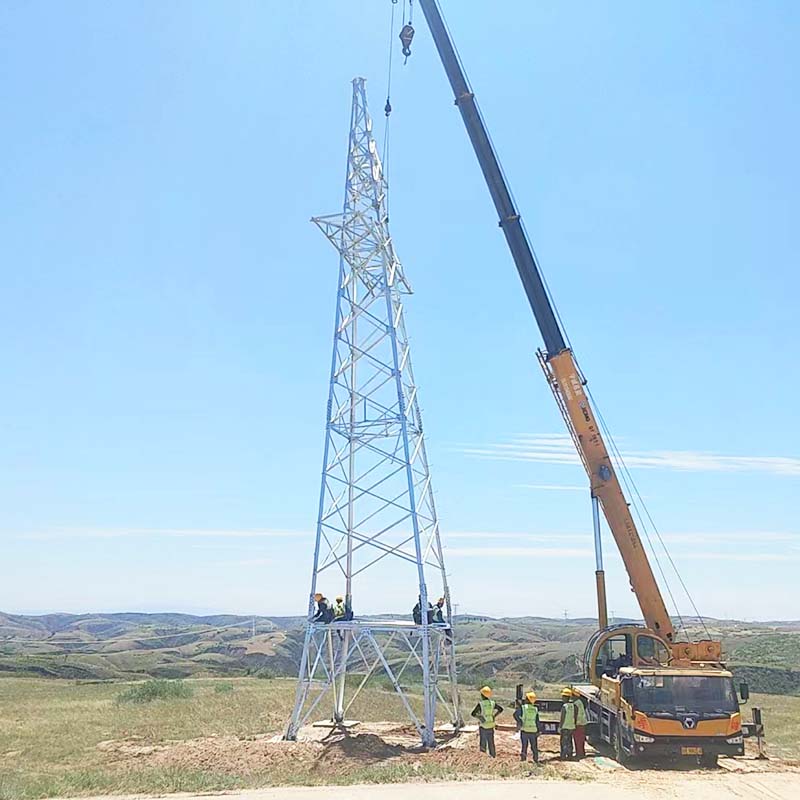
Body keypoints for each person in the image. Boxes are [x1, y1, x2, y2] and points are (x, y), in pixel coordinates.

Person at [471, 686, 503, 757]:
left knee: (483, 743)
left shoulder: (481, 704)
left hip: (483, 726)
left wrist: (480, 717)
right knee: (491, 742)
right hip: (491, 725)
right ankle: (493, 756)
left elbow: (473, 714)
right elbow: (500, 709)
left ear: (482, 695)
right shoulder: (492, 703)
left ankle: (483, 758)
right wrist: (494, 716)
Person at [513, 691, 541, 763]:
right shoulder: (535, 709)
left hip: (525, 730)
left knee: (524, 746)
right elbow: (537, 721)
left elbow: (515, 715)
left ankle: (523, 760)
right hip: (533, 730)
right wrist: (539, 731)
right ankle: (536, 760)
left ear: (527, 699)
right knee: (534, 747)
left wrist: (520, 722)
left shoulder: (523, 708)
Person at [559, 687, 577, 760]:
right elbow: (575, 716)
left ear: (566, 697)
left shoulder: (564, 706)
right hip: (571, 726)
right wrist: (574, 724)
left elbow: (562, 718)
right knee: (569, 740)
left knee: (563, 741)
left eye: (563, 696)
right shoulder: (574, 706)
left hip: (565, 727)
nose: (562, 698)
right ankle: (570, 755)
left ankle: (563, 755)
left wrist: (560, 726)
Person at [571, 689, 587, 759]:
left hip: (578, 723)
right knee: (581, 739)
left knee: (577, 739)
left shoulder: (576, 704)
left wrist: (573, 724)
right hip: (582, 723)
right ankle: (582, 753)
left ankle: (579, 754)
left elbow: (575, 714)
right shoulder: (580, 702)